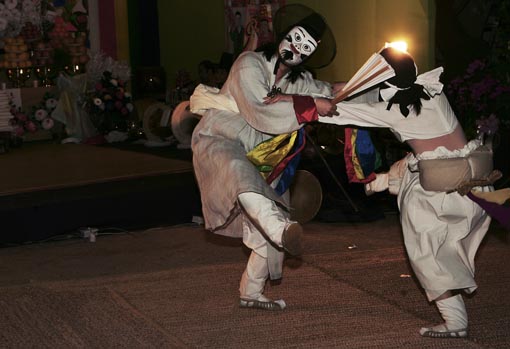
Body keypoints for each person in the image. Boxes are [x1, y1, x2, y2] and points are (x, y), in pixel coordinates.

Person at [319, 47, 501, 338]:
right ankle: (380, 182)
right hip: (476, 187)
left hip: (443, 196)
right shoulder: (432, 93)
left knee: (427, 256)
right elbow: (381, 98)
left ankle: (455, 322)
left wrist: (298, 104)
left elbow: (336, 112)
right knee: (410, 164)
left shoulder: (396, 113)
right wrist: (348, 88)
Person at [190, 4, 338, 310]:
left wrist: (378, 82)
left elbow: (330, 91)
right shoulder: (249, 63)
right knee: (239, 174)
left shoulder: (297, 81)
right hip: (220, 138)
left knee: (271, 216)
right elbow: (260, 110)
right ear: (283, 35)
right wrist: (309, 107)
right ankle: (280, 230)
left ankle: (252, 290)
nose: (296, 48)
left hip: (262, 153)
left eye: (305, 47)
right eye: (295, 39)